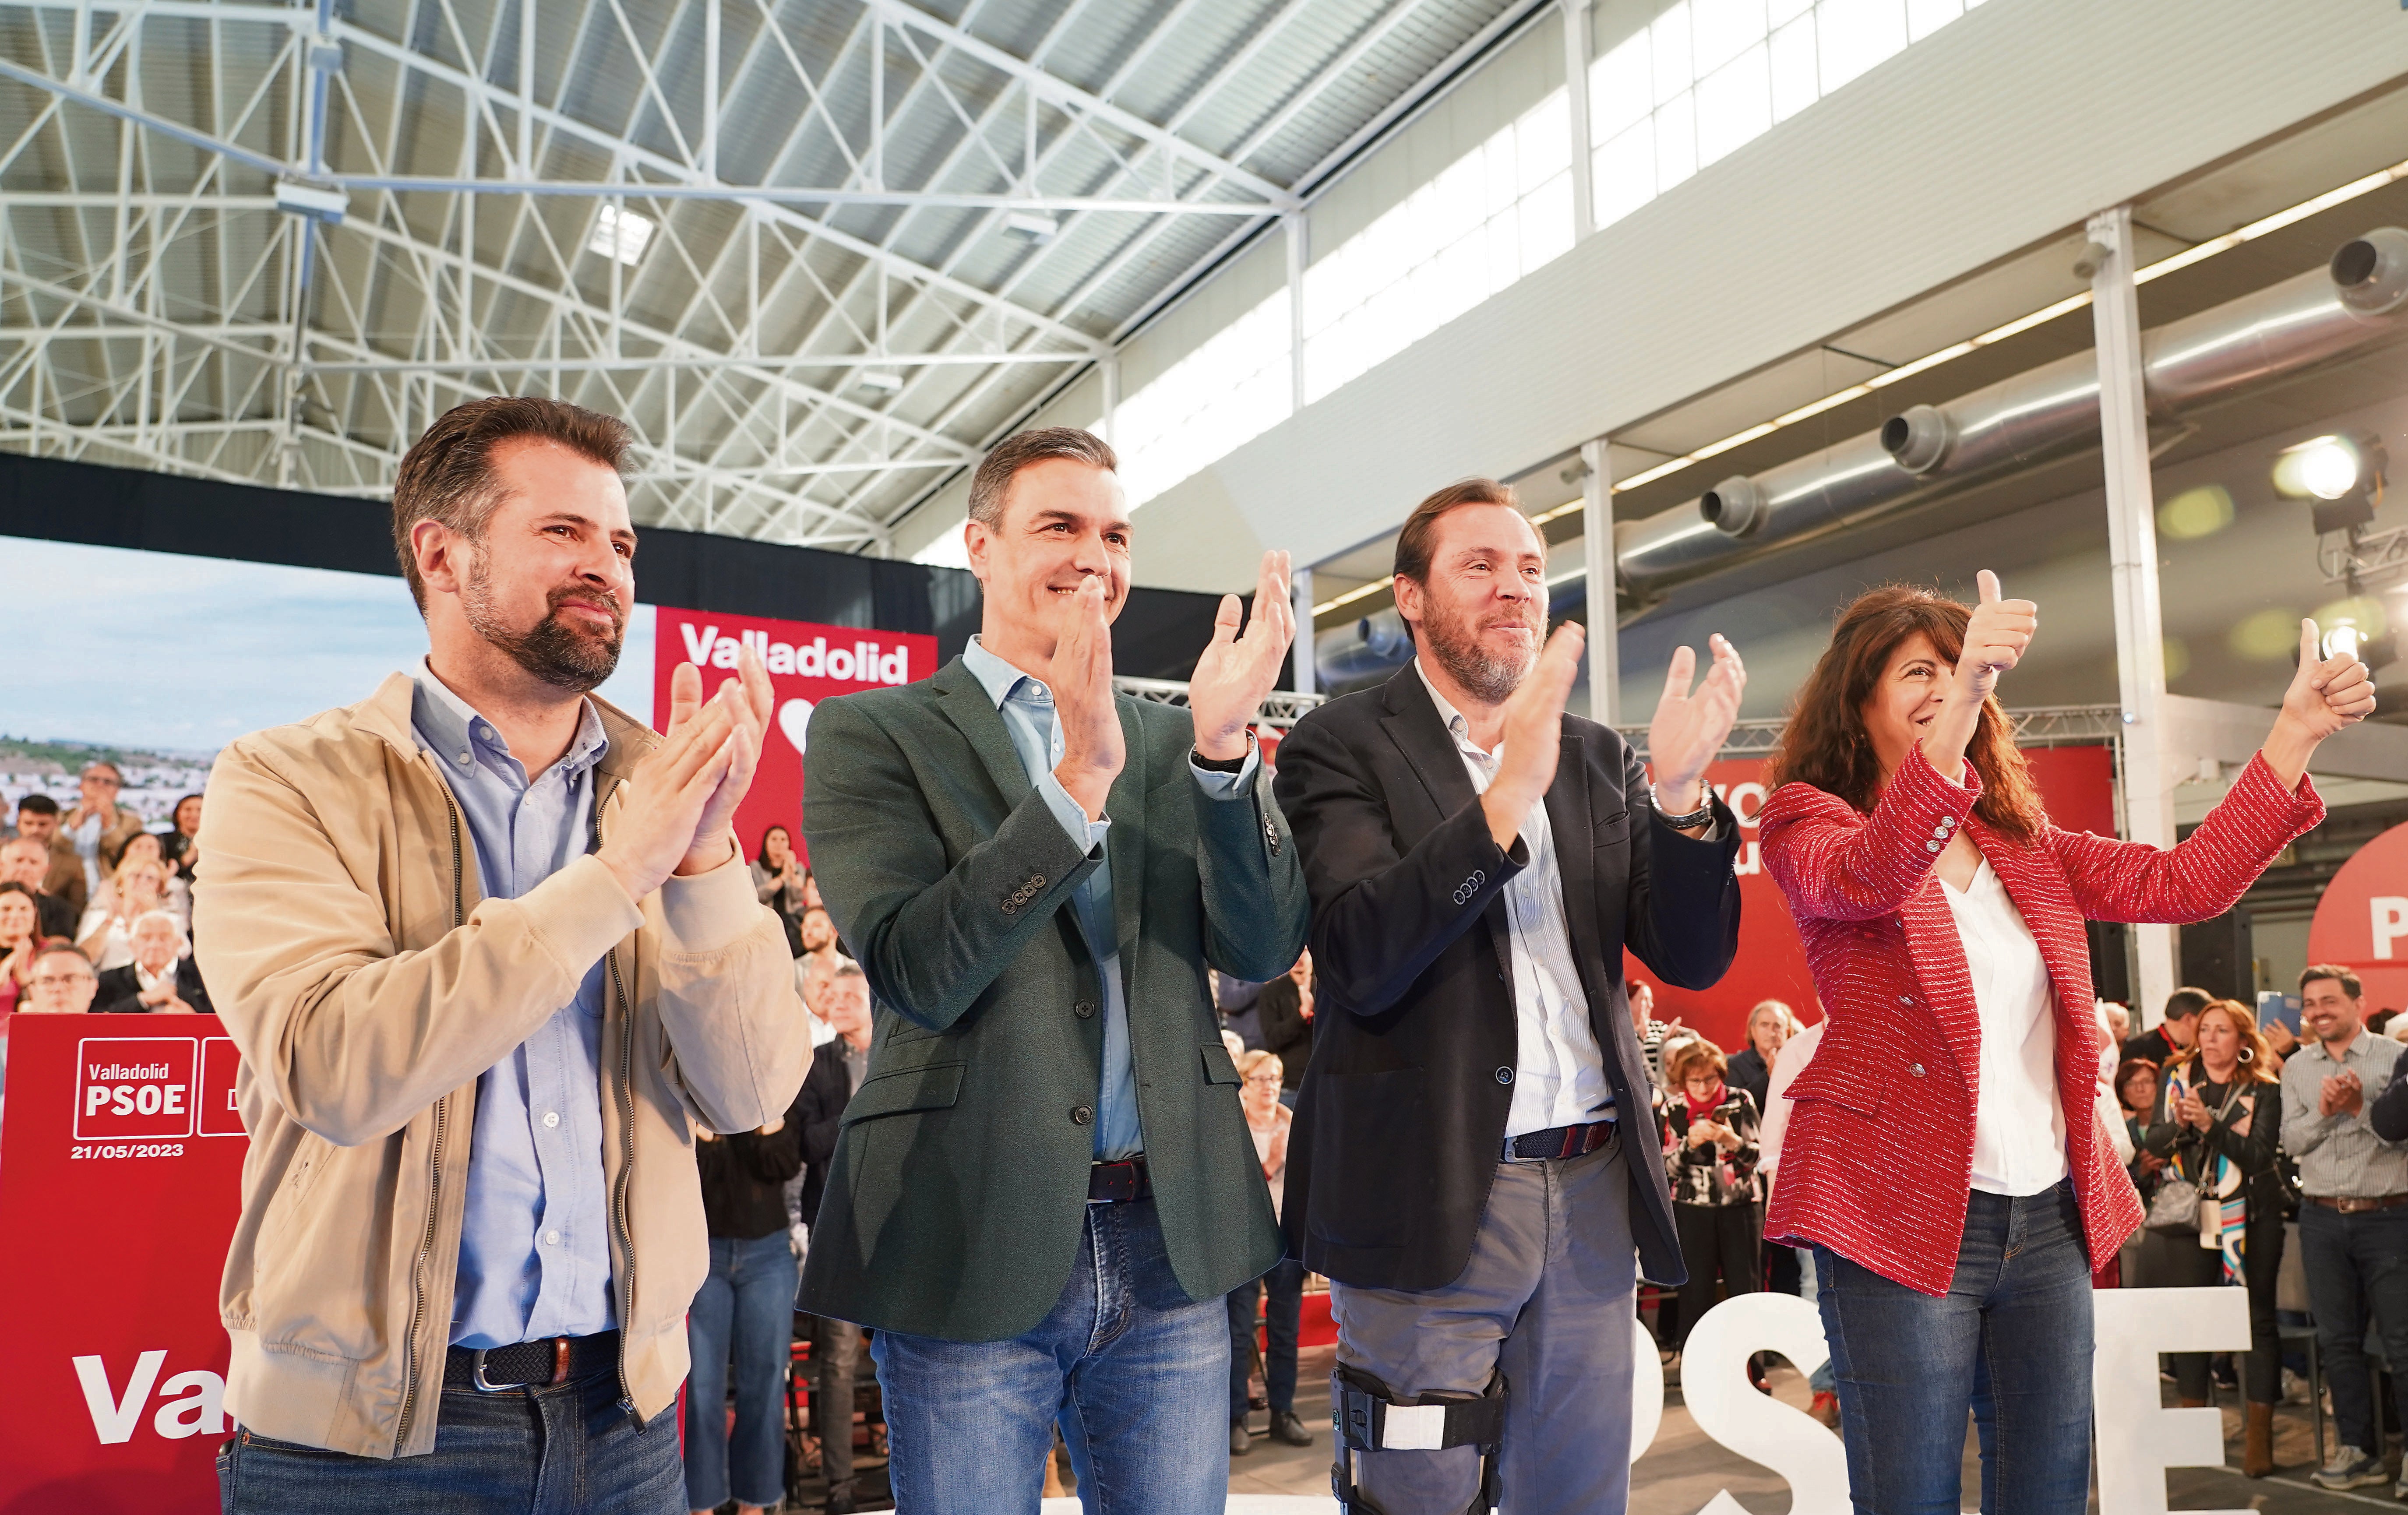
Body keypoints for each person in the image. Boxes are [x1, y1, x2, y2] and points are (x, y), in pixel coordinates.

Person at [194, 395, 810, 1510]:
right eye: (562, 532)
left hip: (622, 1424)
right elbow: (332, 1064)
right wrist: (615, 877)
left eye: (620, 542)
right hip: (361, 1445)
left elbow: (755, 1086)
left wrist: (706, 854)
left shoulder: (663, 788)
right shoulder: (288, 778)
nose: (607, 567)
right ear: (442, 553)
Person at [1757, 575, 2364, 1514]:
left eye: (1960, 669)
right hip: (1894, 1214)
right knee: (1908, 1495)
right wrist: (1964, 695)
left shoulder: (2021, 842)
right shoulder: (1808, 821)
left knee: (2045, 1493)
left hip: (2042, 1218)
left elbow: (2183, 882)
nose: (1944, 684)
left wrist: (2292, 732)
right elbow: (1873, 872)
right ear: (1859, 696)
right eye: (1919, 669)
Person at [796, 426, 1308, 1515]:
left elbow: (1261, 952)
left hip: (1166, 1232)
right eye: (1059, 527)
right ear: (979, 547)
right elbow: (915, 967)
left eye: (1114, 533)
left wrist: (1224, 759)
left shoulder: (1177, 741)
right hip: (966, 1229)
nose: (1095, 556)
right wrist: (1074, 782)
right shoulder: (872, 732)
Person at [1271, 477, 1745, 1515]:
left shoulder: (1598, 758)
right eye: (1478, 565)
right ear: (1410, 595)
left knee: (1575, 1496)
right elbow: (1359, 950)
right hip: (1427, 1187)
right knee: (1416, 1491)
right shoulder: (1336, 745)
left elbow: (1692, 957)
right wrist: (1501, 801)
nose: (1512, 588)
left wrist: (1678, 802)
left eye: (1528, 568)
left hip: (1588, 1188)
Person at [2139, 1000, 2286, 1476]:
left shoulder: (2262, 1089)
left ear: (2243, 1041)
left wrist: (2209, 1124)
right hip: (2189, 1216)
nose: (2211, 1039)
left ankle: (2259, 1438)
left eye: (2223, 1031)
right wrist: (2180, 1125)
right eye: (2205, 1030)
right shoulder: (2177, 1079)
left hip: (2252, 1215)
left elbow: (2259, 1155)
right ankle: (2190, 1431)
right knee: (2189, 1318)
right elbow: (2154, 1143)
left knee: (2257, 1318)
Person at [2280, 964, 2408, 1494]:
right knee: (2338, 1342)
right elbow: (2292, 1141)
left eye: (2329, 1000)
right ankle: (2358, 1449)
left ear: (2358, 1001)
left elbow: (2400, 1137)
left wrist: (2358, 1108)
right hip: (2321, 1218)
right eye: (2310, 1003)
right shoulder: (2296, 1066)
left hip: (2390, 1217)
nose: (2318, 1012)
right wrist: (2328, 1114)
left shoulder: (2393, 1056)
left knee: (2404, 1343)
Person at [684, 1097, 804, 1515]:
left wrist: (765, 1116)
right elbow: (693, 1180)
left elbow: (784, 1165)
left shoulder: (767, 1092)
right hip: (705, 1254)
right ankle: (700, 1503)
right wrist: (704, 1130)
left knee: (766, 1381)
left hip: (768, 1254)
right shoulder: (692, 1092)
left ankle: (754, 1503)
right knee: (700, 1385)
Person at [793, 961, 875, 1514]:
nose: (842, 1002)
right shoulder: (816, 1065)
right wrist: (860, 1112)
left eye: (854, 994)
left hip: (901, 1231)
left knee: (915, 1353)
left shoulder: (898, 1057)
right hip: (837, 1230)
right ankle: (841, 1489)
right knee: (838, 1363)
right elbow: (803, 1144)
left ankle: (904, 1470)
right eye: (835, 995)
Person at [1227, 1048, 1312, 1459]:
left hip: (1285, 1240)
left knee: (1285, 1332)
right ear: (1244, 1082)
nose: (1269, 1088)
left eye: (1275, 1079)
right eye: (1261, 1079)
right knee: (1239, 1332)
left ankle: (1283, 1412)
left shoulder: (1293, 1124)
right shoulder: (1231, 1125)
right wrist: (1273, 1156)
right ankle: (1236, 1418)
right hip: (1242, 1241)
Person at [1757, 1016, 1838, 1427]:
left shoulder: (1900, 1030)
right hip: (1820, 1201)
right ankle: (1824, 1389)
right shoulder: (1800, 1049)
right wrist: (1782, 1214)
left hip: (1892, 1203)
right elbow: (1774, 1139)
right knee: (1818, 1294)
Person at [1660, 1038, 1763, 1357]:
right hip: (1692, 1210)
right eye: (1695, 1080)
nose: (1703, 1087)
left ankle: (1753, 1368)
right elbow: (1666, 1171)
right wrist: (1689, 1145)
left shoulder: (1739, 1100)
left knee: (1746, 1290)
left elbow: (1758, 1158)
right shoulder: (1673, 1109)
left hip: (1741, 1206)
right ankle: (1696, 1370)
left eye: (1709, 1078)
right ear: (1682, 1081)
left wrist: (1732, 1141)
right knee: (1695, 1292)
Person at [52, 760, 145, 905]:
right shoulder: (61, 817)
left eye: (108, 782)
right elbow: (53, 846)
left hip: (108, 895)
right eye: (94, 780)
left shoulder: (131, 822)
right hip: (61, 892)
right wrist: (75, 824)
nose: (100, 785)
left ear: (116, 791)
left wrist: (108, 824)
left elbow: (127, 856)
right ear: (82, 786)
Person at [93, 909, 212, 1015]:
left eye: (164, 937)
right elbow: (95, 1023)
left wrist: (194, 1018)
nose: (155, 945)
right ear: (131, 945)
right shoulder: (109, 979)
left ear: (179, 943)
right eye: (146, 937)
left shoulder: (203, 977)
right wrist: (142, 1000)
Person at [77, 853, 175, 972]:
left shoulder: (169, 919)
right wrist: (109, 920)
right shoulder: (100, 915)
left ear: (159, 888)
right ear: (121, 882)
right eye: (136, 876)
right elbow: (83, 959)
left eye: (151, 878)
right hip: (109, 983)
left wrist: (152, 914)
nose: (143, 882)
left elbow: (179, 957)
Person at [1252, 951, 1315, 1093]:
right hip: (1290, 1083)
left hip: (1325, 1077)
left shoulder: (1328, 988)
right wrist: (1301, 1015)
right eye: (1295, 951)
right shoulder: (1271, 992)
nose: (1298, 958)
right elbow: (1273, 1039)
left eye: (1303, 952)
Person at [1725, 999, 1798, 1120]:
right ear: (1752, 1030)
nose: (1771, 1033)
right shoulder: (1734, 1066)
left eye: (1778, 1026)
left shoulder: (1800, 1061)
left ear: (1788, 1032)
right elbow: (1738, 1111)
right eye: (1764, 1025)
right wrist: (1769, 1076)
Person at [0, 835, 78, 941]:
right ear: (2, 865)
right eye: (19, 860)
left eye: (33, 862)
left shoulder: (60, 909)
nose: (25, 868)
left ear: (46, 870)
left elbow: (60, 948)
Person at [2125, 987, 2211, 1068]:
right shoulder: (2138, 1050)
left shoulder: (2199, 1049)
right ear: (2188, 1019)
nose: (2209, 1032)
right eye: (2205, 1023)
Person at [0, 881, 49, 1021]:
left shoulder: (49, 955)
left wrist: (26, 981)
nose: (15, 915)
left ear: (34, 913)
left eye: (23, 909)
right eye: (6, 909)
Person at [19, 941, 99, 1015]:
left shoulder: (110, 1030)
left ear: (93, 988)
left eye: (71, 979)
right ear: (32, 991)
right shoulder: (12, 1030)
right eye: (47, 981)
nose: (58, 988)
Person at [752, 824, 805, 923]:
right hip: (765, 919)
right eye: (774, 839)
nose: (779, 844)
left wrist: (793, 868)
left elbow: (799, 897)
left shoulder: (799, 868)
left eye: (783, 840)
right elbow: (759, 896)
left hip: (793, 921)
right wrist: (784, 877)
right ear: (766, 843)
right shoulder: (756, 867)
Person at [160, 791, 204, 881]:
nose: (194, 815)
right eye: (188, 810)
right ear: (177, 813)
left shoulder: (216, 843)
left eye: (200, 810)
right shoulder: (163, 840)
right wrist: (188, 858)